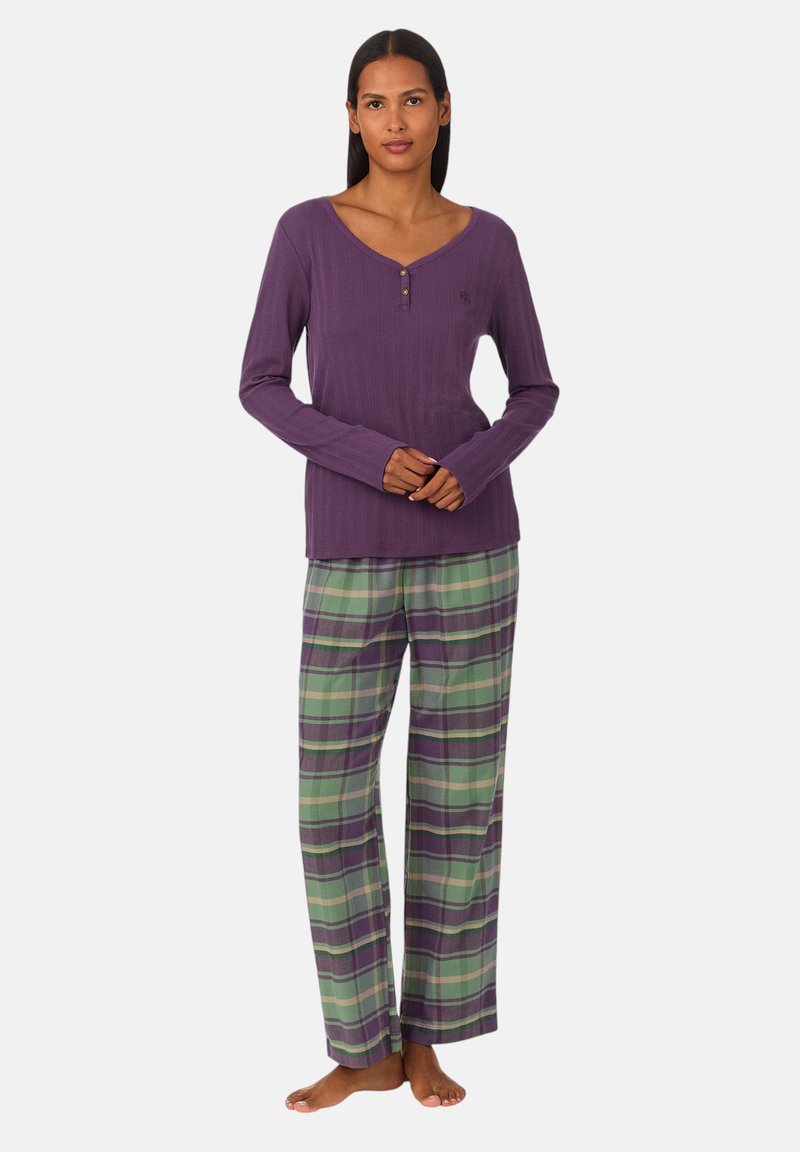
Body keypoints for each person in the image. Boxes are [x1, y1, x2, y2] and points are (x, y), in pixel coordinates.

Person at [239, 27, 559, 1113]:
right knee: (329, 806)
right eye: (373, 103)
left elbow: (534, 390)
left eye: (412, 100)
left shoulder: (488, 242)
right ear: (349, 118)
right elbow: (260, 383)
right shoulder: (306, 232)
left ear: (444, 111)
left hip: (474, 554)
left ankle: (427, 1039)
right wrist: (369, 458)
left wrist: (471, 468)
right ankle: (361, 1045)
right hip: (347, 548)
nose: (393, 121)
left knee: (456, 802)